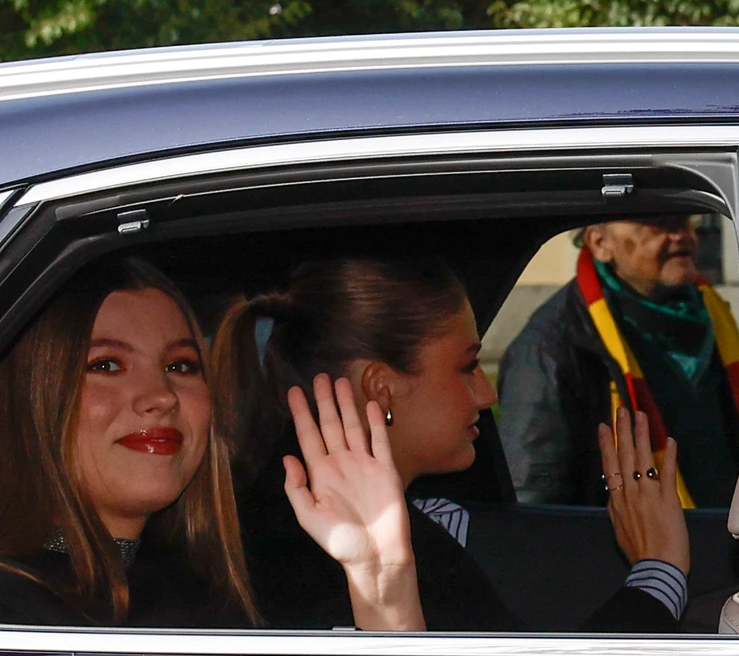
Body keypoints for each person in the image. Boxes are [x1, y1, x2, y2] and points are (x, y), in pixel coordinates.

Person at [215, 257, 689, 633]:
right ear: (382, 387)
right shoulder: (338, 548)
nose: (487, 394)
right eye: (467, 366)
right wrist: (660, 571)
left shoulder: (280, 519)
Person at [0, 257, 416, 629]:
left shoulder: (212, 597)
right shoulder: (15, 615)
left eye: (179, 365)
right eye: (106, 364)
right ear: (30, 396)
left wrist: (382, 585)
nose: (162, 395)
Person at [498, 216, 739, 507]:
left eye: (684, 218)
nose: (680, 234)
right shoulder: (547, 348)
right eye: (657, 221)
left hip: (728, 534)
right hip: (632, 547)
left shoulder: (709, 312)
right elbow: (535, 502)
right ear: (600, 243)